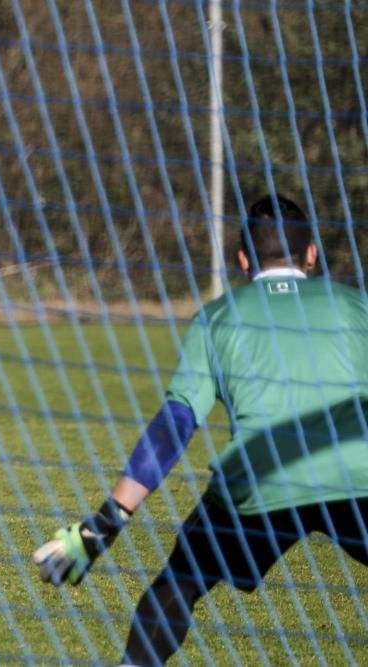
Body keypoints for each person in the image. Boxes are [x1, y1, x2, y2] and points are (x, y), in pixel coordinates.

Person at [34, 194, 368, 665]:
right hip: (358, 475)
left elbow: (177, 423)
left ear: (243, 260)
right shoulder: (358, 306)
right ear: (311, 254)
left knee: (179, 583)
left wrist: (105, 523)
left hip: (260, 477)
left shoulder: (217, 318)